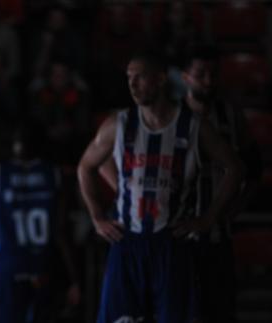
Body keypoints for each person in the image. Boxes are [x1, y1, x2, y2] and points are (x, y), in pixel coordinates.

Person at [77, 51, 242, 323]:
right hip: (128, 240)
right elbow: (85, 167)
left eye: (140, 77)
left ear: (161, 79)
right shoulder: (119, 123)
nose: (133, 84)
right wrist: (96, 216)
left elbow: (235, 168)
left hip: (171, 243)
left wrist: (208, 219)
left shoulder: (192, 126)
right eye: (129, 78)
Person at [181, 47, 262, 323]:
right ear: (185, 77)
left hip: (218, 237)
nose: (207, 80)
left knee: (219, 311)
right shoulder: (172, 115)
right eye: (200, 74)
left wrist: (234, 208)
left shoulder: (230, 115)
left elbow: (253, 168)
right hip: (178, 237)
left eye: (213, 74)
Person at [0, 122, 80, 323]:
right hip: (42, 264)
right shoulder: (55, 174)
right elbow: (61, 230)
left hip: (9, 264)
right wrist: (75, 278)